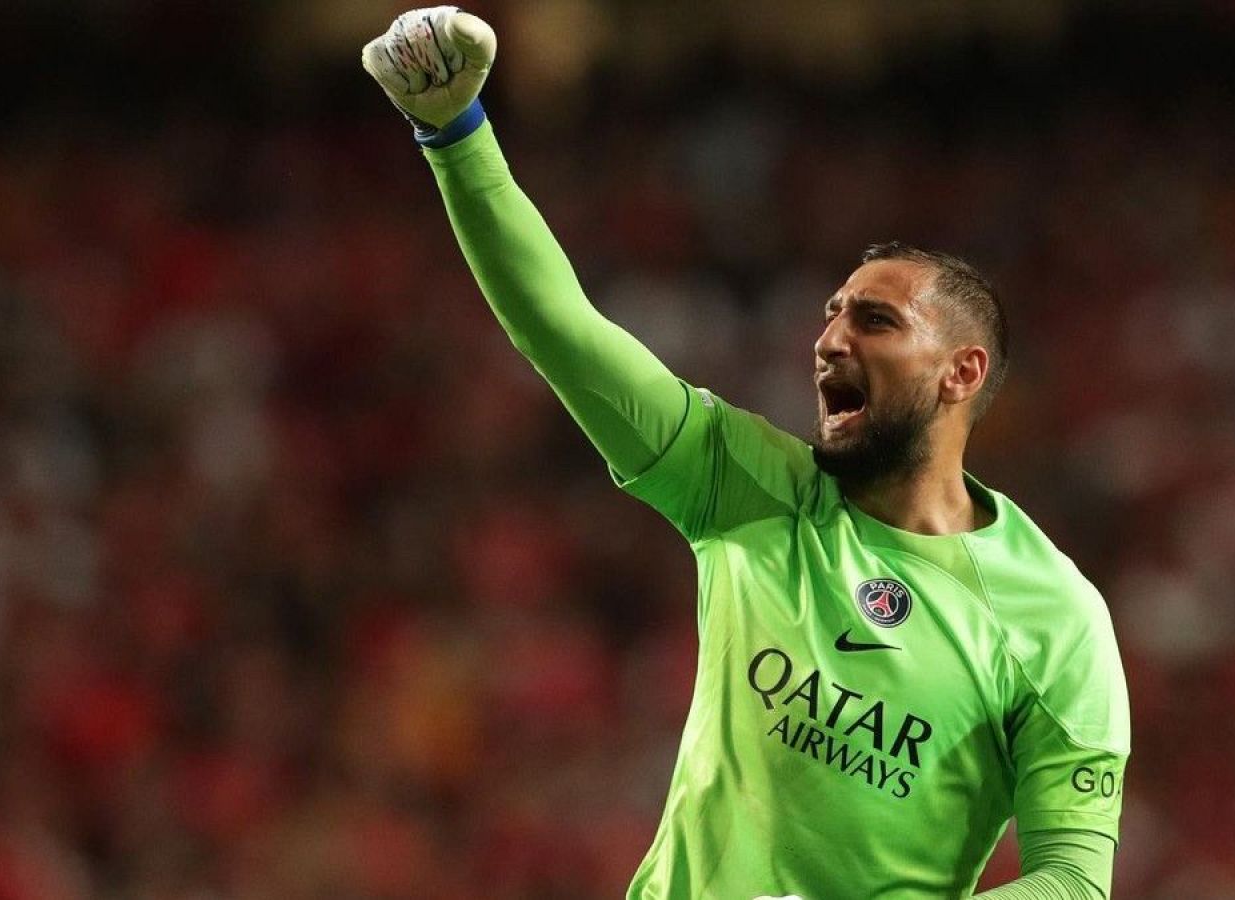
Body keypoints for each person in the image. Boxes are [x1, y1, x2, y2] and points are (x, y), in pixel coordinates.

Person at [362, 8, 1130, 899]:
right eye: (831, 314)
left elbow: (1075, 882)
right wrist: (458, 138)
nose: (830, 340)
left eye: (874, 321)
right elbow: (564, 334)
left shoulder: (1054, 618)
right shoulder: (749, 485)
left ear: (962, 372)